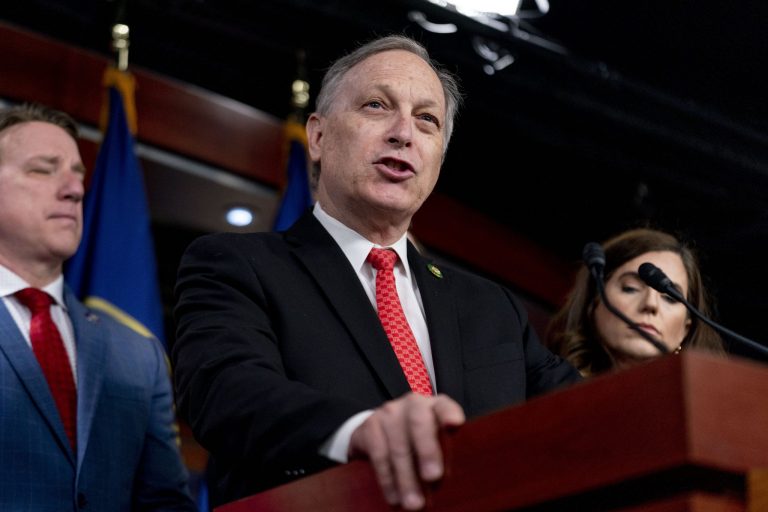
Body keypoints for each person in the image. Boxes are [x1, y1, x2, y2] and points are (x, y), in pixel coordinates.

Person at [172, 35, 581, 510]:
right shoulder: (238, 266)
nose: (403, 133)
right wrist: (357, 432)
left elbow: (587, 414)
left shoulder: (492, 307)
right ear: (319, 136)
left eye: (427, 120)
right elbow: (227, 393)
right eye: (376, 106)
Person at [0, 103, 195, 510]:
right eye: (43, 168)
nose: (74, 189)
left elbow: (165, 501)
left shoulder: (138, 354)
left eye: (77, 173)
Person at [546, 228, 726, 376]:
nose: (651, 304)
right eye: (630, 288)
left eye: (670, 298)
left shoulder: (707, 412)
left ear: (685, 330)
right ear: (594, 302)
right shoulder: (543, 385)